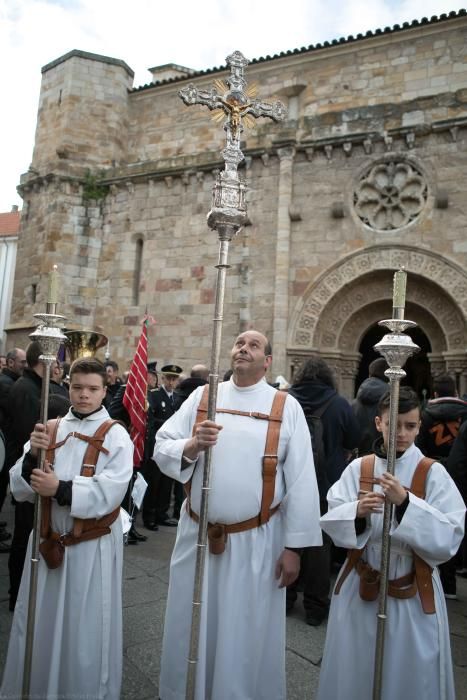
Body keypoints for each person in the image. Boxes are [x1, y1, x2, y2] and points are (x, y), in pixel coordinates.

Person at [154, 330, 321, 700]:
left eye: (254, 345)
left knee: (244, 629)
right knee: (190, 624)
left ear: (267, 361)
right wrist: (192, 445)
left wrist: (294, 548)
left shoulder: (284, 406)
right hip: (197, 536)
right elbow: (162, 446)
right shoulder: (203, 397)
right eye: (239, 342)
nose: (243, 348)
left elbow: (302, 480)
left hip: (257, 542)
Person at [317, 387, 465, 700]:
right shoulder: (361, 468)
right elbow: (331, 518)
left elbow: (450, 535)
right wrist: (356, 512)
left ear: (419, 426)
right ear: (379, 423)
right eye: (393, 424)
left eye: (410, 426)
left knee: (408, 675)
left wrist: (406, 503)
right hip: (363, 582)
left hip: (412, 588)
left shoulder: (432, 472)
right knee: (356, 669)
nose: (401, 433)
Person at [0, 357, 133, 699]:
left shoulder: (116, 436)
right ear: (68, 386)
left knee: (83, 632)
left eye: (92, 389)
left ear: (105, 390)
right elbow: (18, 486)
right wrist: (32, 458)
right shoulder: (52, 427)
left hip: (90, 548)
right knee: (39, 625)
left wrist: (60, 488)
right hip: (46, 542)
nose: (84, 395)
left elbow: (113, 489)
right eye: (77, 387)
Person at [286, 355, 360, 625]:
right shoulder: (339, 404)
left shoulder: (285, 399)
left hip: (288, 481)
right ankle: (316, 607)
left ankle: (285, 596)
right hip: (326, 483)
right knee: (320, 544)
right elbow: (354, 439)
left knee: (287, 537)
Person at [416, 372, 467, 599]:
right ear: (456, 391)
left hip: (433, 472)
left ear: (434, 393)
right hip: (463, 473)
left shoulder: (425, 415)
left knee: (438, 523)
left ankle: (444, 583)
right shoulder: (465, 415)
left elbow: (419, 447)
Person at [146, 363, 183, 528]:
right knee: (154, 482)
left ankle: (162, 513)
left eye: (174, 379)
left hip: (172, 445)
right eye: (168, 378)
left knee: (167, 482)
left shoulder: (177, 398)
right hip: (157, 444)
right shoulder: (154, 395)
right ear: (162, 378)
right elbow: (151, 421)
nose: (171, 382)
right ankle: (150, 515)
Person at [352, 357, 389, 456]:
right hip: (384, 456)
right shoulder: (394, 402)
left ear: (369, 375)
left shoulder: (354, 404)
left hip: (359, 459)